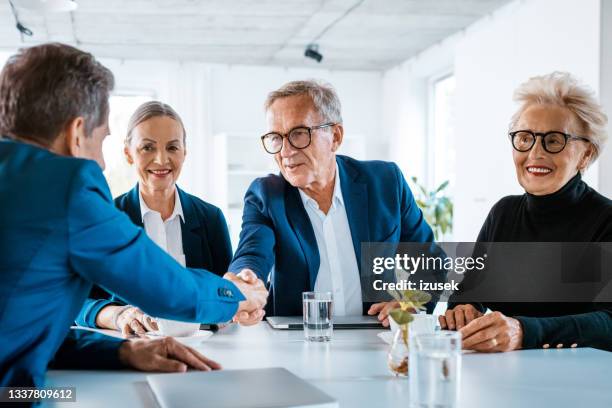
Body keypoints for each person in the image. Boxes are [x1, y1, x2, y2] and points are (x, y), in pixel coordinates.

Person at [0, 43, 267, 389]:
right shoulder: (68, 185)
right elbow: (166, 289)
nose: (101, 163)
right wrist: (235, 295)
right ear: (76, 132)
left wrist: (122, 352)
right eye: (102, 139)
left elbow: (22, 330)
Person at [228, 80, 438, 322]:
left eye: (298, 134)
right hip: (296, 341)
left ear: (335, 136)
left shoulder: (386, 182)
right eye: (276, 137)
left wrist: (410, 303)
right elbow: (252, 253)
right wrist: (243, 282)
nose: (285, 151)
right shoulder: (266, 195)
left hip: (375, 337)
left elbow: (430, 261)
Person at [441, 72, 612, 352]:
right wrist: (464, 310)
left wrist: (524, 331)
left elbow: (608, 322)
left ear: (586, 154)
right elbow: (468, 294)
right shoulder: (504, 213)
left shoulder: (605, 220)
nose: (535, 153)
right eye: (524, 138)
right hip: (508, 379)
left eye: (554, 140)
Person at [76, 101, 237, 335]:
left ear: (184, 152)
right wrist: (118, 315)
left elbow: (227, 294)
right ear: (128, 154)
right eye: (148, 148)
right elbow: (79, 303)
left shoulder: (211, 219)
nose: (161, 160)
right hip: (132, 350)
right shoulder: (104, 219)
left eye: (172, 148)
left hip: (203, 350)